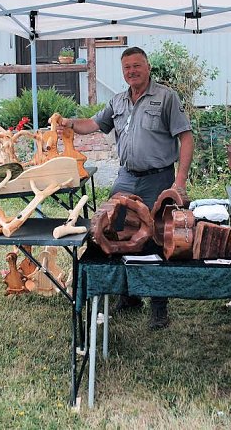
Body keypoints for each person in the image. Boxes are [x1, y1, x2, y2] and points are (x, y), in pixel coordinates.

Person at [62, 46, 194, 329]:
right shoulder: (119, 101)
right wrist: (69, 123)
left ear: (147, 67)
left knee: (157, 238)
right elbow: (93, 124)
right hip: (126, 177)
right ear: (123, 72)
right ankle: (128, 295)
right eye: (126, 68)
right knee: (115, 230)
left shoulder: (166, 98)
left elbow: (186, 137)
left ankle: (159, 305)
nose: (132, 71)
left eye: (136, 66)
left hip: (158, 178)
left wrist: (179, 181)